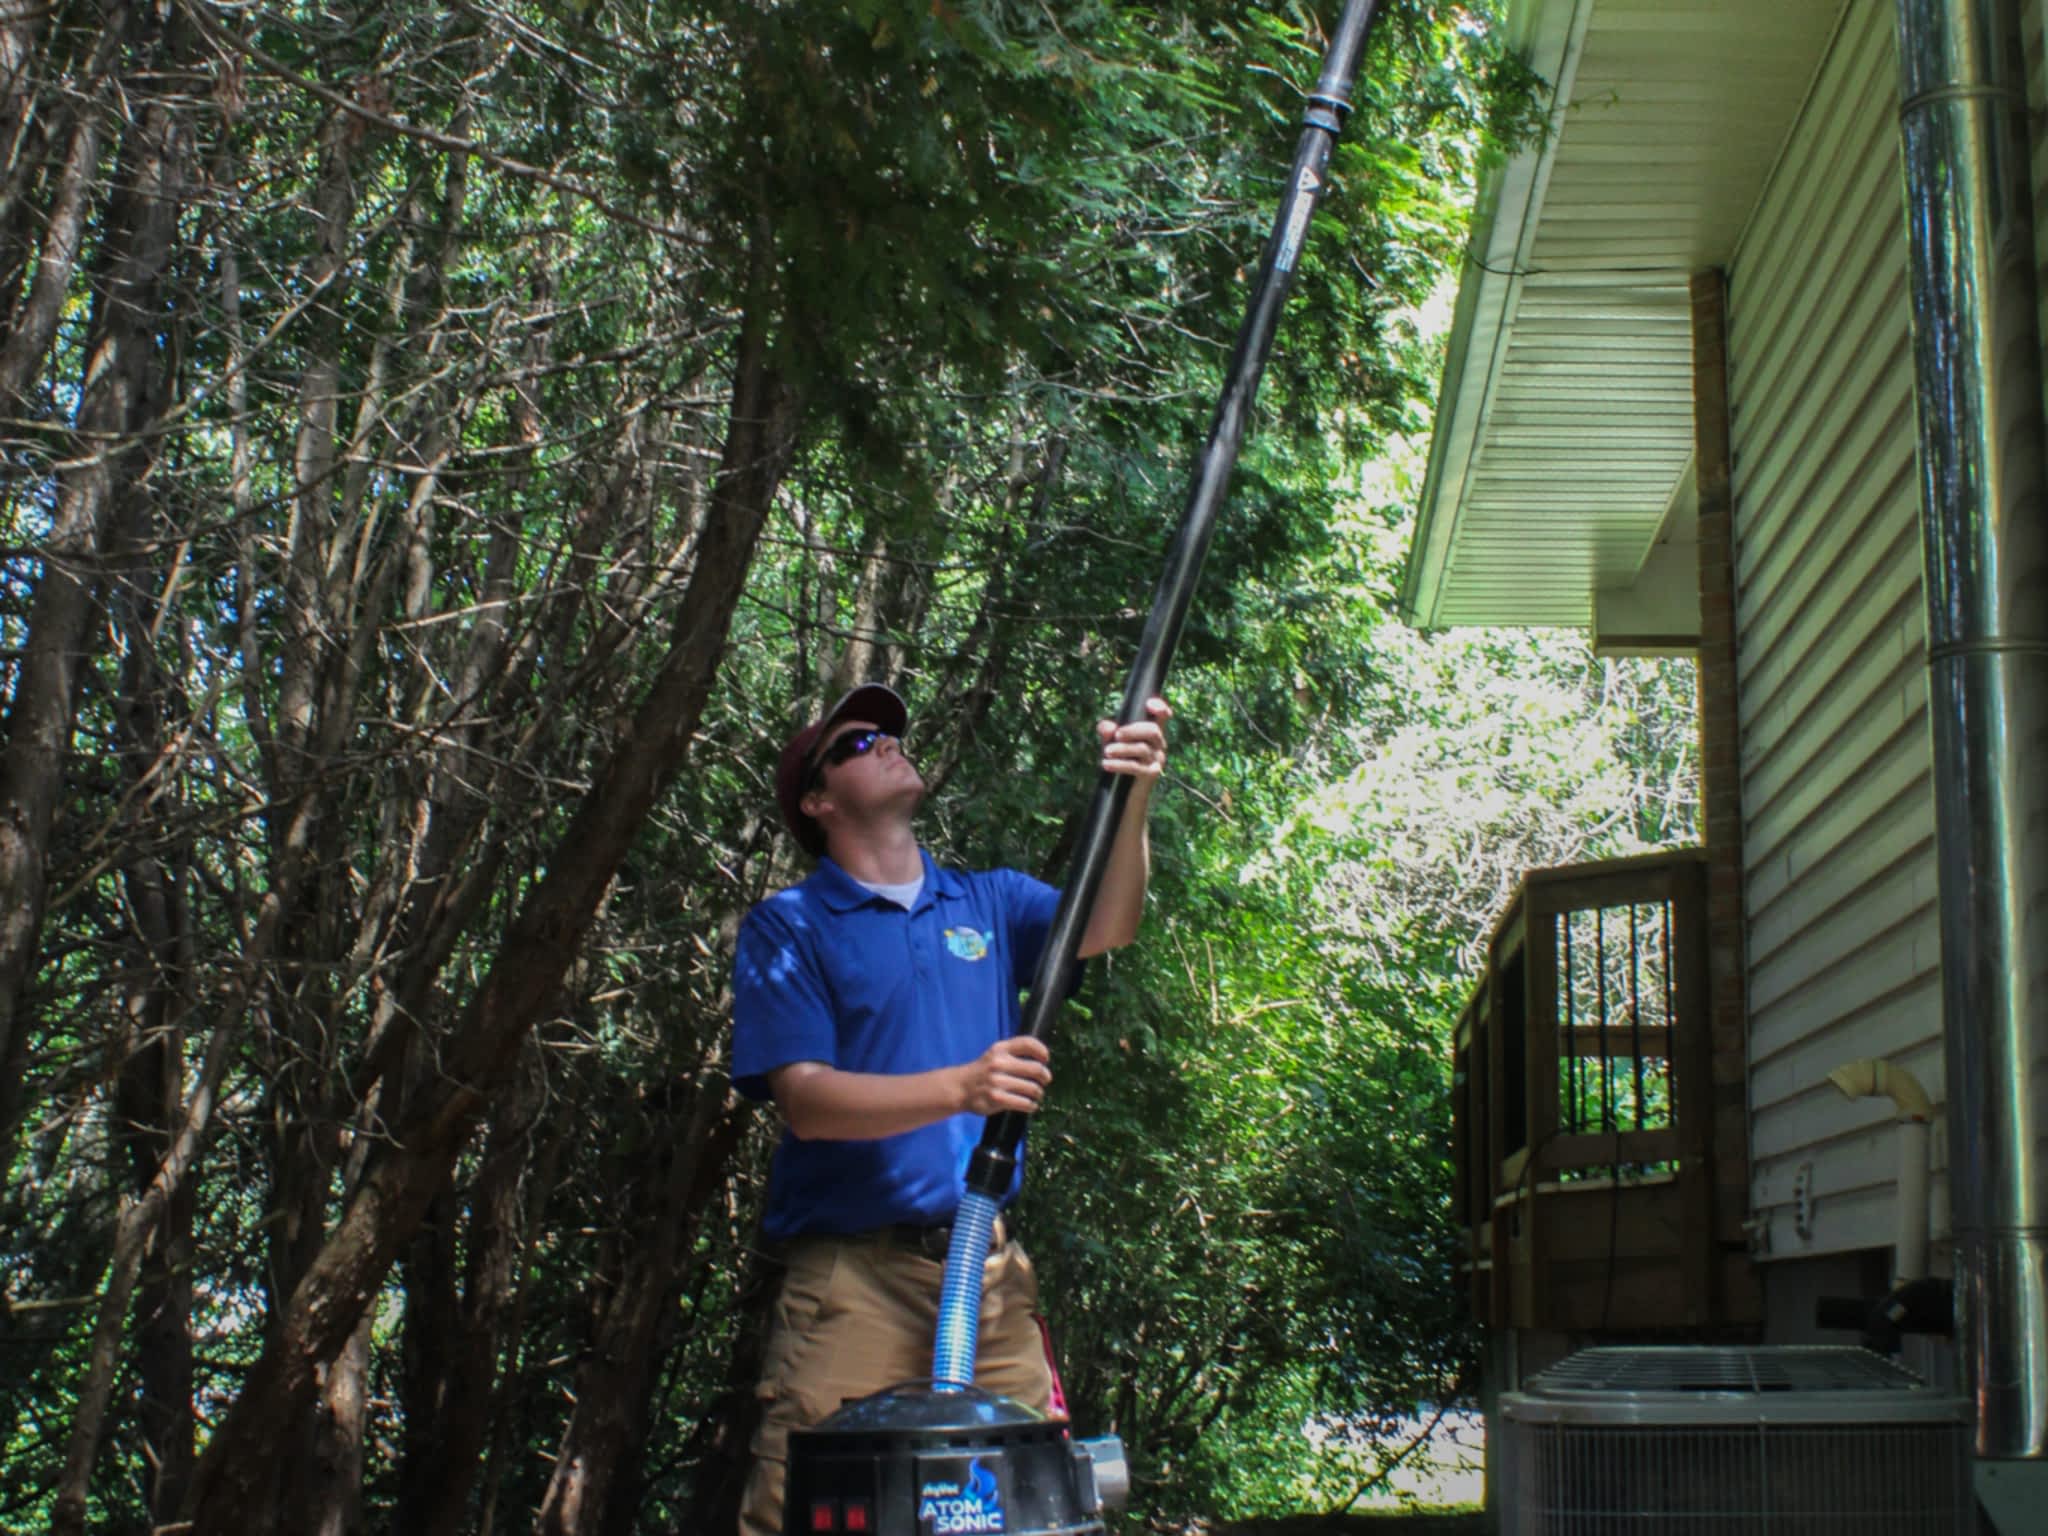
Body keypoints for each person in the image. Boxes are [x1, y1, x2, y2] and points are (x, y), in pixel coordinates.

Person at [729, 681, 1170, 1536]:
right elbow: (808, 1102)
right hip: (854, 1283)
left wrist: (1136, 788)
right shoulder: (790, 927)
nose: (886, 742)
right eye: (855, 745)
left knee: (1025, 1509)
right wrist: (962, 1087)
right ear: (817, 801)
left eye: (888, 733)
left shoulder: (987, 902)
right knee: (808, 1510)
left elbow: (1107, 923)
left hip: (989, 1280)